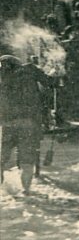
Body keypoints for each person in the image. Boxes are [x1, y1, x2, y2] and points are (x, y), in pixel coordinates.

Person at [0, 54, 55, 194]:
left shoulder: (2, 77)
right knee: (27, 161)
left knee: (2, 158)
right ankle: (26, 190)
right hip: (30, 123)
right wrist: (53, 72)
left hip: (7, 124)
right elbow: (51, 83)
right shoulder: (30, 70)